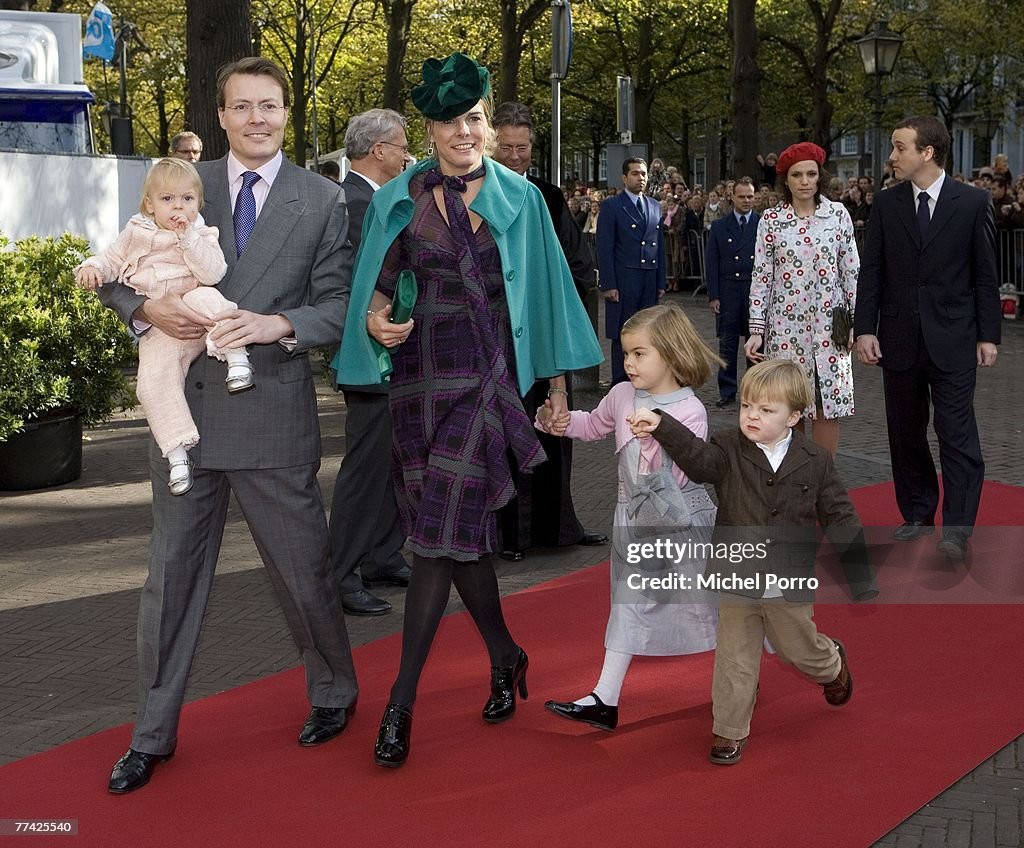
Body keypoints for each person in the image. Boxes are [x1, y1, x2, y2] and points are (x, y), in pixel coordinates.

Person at [333, 52, 602, 769]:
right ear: (429, 129)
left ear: (487, 122)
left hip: (490, 380)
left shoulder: (522, 199)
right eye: (450, 122)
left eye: (474, 119)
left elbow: (549, 293)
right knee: (457, 538)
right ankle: (507, 653)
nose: (464, 132)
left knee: (433, 542)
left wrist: (558, 386)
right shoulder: (405, 196)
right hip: (421, 382)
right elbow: (380, 285)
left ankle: (400, 705)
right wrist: (378, 320)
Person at [98, 57, 358, 793]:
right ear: (220, 115)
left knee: (303, 573)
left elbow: (337, 305)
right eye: (241, 106)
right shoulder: (179, 183)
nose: (255, 118)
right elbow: (118, 273)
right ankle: (150, 733)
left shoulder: (321, 199)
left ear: (287, 113)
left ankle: (334, 691)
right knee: (170, 581)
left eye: (268, 106)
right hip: (183, 414)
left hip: (272, 408)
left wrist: (276, 322)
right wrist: (146, 310)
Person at [630, 359, 877, 765]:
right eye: (747, 406)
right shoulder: (727, 447)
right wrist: (661, 423)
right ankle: (729, 730)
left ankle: (831, 663)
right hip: (737, 573)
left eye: (766, 410)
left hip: (788, 580)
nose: (752, 416)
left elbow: (840, 515)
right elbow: (697, 459)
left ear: (794, 417)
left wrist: (860, 574)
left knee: (797, 650)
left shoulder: (815, 460)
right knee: (735, 656)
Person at [539, 303, 721, 731]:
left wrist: (657, 433)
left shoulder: (692, 409)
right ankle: (605, 698)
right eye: (626, 354)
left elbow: (677, 476)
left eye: (641, 353)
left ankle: (783, 649)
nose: (629, 363)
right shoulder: (622, 394)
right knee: (629, 606)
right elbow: (592, 425)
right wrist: (557, 422)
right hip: (636, 525)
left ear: (672, 354)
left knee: (718, 606)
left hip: (680, 524)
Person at [854, 115, 1000, 562]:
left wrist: (988, 335)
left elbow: (985, 276)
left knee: (956, 434)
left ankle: (956, 529)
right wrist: (865, 329)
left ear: (927, 152)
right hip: (898, 338)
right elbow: (872, 270)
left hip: (955, 338)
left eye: (900, 148)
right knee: (905, 432)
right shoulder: (886, 203)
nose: (892, 156)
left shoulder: (973, 202)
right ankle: (917, 511)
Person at [76, 157, 247, 496]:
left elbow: (213, 274)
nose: (178, 206)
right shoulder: (135, 232)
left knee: (217, 305)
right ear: (149, 205)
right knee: (151, 385)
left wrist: (189, 240)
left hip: (194, 298)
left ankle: (238, 360)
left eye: (187, 198)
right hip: (158, 329)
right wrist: (91, 266)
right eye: (167, 199)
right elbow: (110, 261)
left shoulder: (202, 233)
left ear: (198, 203)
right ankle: (177, 454)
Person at [491, 100, 608, 560]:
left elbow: (577, 263)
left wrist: (561, 305)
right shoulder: (476, 193)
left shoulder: (549, 195)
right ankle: (510, 536)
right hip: (502, 337)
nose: (516, 157)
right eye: (507, 147)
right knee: (508, 433)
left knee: (555, 430)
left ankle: (559, 528)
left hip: (547, 334)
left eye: (523, 148)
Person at [329, 108, 415, 616]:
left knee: (389, 460)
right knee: (365, 467)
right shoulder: (358, 204)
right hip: (369, 359)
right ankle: (340, 572)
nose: (408, 155)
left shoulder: (369, 199)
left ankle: (382, 554)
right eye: (402, 145)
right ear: (378, 149)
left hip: (385, 356)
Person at [744, 142, 860, 456]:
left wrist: (855, 325)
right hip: (785, 329)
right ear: (786, 180)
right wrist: (757, 330)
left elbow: (851, 272)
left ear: (819, 176)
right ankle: (792, 484)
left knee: (826, 407)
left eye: (811, 173)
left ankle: (823, 483)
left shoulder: (837, 215)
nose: (805, 181)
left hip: (829, 328)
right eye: (797, 174)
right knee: (787, 406)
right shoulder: (771, 220)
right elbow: (762, 276)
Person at [598, 157, 666, 384]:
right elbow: (605, 246)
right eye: (635, 173)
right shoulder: (612, 206)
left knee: (648, 331)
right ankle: (620, 381)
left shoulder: (655, 206)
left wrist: (660, 283)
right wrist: (609, 284)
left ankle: (645, 377)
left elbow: (660, 246)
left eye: (644, 174)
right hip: (624, 278)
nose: (641, 178)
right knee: (623, 331)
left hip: (648, 277)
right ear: (625, 177)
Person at [706, 176, 758, 409]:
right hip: (728, 290)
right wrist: (714, 295)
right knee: (727, 343)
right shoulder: (720, 226)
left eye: (750, 196)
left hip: (754, 290)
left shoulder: (762, 223)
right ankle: (727, 391)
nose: (747, 201)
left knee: (756, 343)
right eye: (742, 196)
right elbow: (712, 262)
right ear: (732, 197)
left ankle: (754, 390)